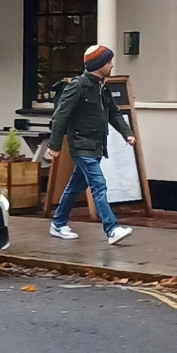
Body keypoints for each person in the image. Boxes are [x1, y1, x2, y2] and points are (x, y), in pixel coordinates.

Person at [46, 45, 136, 245]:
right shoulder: (78, 86)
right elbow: (61, 115)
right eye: (109, 61)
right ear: (99, 65)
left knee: (74, 186)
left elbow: (113, 112)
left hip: (95, 146)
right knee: (99, 184)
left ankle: (58, 223)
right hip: (81, 145)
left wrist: (127, 133)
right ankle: (112, 229)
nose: (112, 65)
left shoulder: (102, 87)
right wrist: (55, 144)